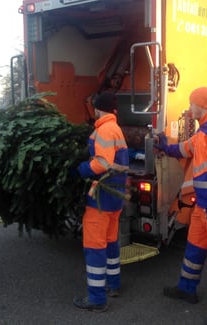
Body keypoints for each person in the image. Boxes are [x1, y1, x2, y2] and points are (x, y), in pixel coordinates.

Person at [155, 87, 207, 324]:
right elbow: (186, 149)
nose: (189, 107)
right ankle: (186, 289)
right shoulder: (204, 131)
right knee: (194, 249)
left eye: (192, 103)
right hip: (204, 206)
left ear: (202, 105)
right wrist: (166, 147)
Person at [73, 92, 129, 312]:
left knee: (94, 247)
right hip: (114, 196)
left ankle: (96, 300)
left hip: (101, 198)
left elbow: (102, 163)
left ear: (97, 109)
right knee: (110, 242)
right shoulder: (115, 128)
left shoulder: (104, 129)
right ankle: (113, 285)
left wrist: (81, 169)